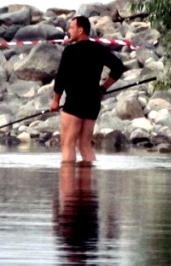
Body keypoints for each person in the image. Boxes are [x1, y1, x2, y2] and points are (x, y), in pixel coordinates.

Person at [50, 15, 127, 164]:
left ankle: (67, 185)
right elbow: (118, 67)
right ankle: (86, 185)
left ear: (80, 30)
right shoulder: (98, 49)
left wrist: (55, 101)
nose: (69, 31)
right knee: (85, 145)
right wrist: (104, 88)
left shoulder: (70, 51)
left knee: (68, 144)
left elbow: (61, 78)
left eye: (71, 28)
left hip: (74, 103)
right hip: (92, 103)